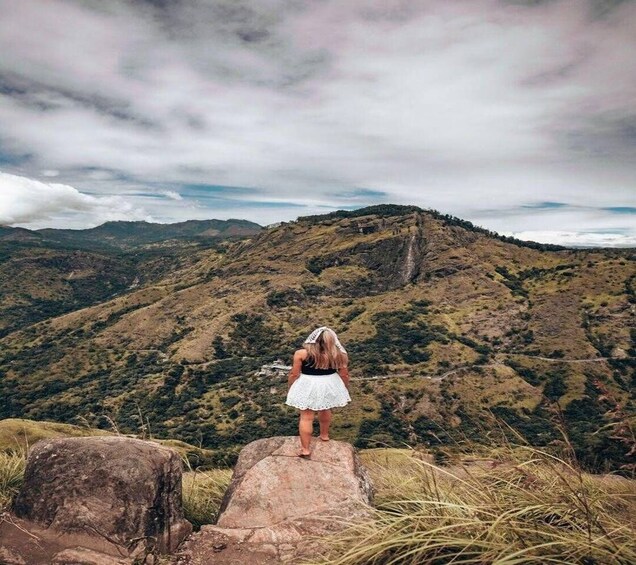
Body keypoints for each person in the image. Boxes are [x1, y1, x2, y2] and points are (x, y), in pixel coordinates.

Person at [285, 326, 351, 458]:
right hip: (329, 383)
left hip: (308, 383)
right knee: (325, 408)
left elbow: (294, 373)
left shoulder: (301, 354)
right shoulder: (339, 354)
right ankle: (324, 435)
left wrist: (291, 385)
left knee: (306, 416)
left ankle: (305, 449)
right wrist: (343, 387)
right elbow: (344, 374)